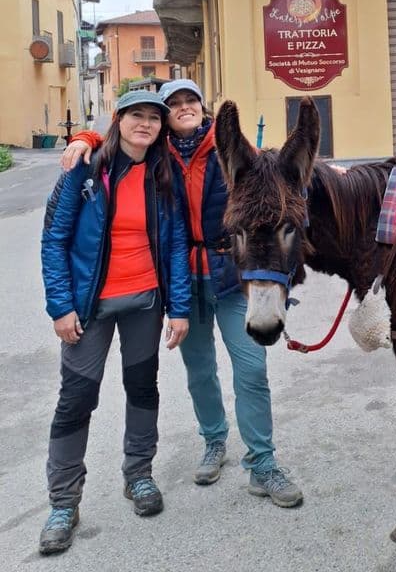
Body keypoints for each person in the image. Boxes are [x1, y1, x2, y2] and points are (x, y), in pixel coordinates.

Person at [61, 79, 303, 510]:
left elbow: (281, 174)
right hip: (179, 279)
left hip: (229, 275)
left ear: (202, 107)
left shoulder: (232, 150)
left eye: (192, 99)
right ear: (164, 115)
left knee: (250, 368)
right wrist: (85, 137)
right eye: (174, 104)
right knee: (200, 370)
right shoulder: (156, 155)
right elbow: (117, 139)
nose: (184, 107)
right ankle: (213, 440)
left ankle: (262, 462)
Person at [39, 90, 192, 554]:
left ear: (161, 128)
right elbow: (54, 240)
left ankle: (139, 476)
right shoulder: (84, 170)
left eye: (153, 118)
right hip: (89, 308)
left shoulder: (165, 175)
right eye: (136, 116)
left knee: (143, 389)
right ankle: (64, 502)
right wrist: (60, 306)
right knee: (76, 399)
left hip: (144, 302)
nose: (145, 124)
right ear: (118, 120)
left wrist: (179, 308)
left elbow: (177, 245)